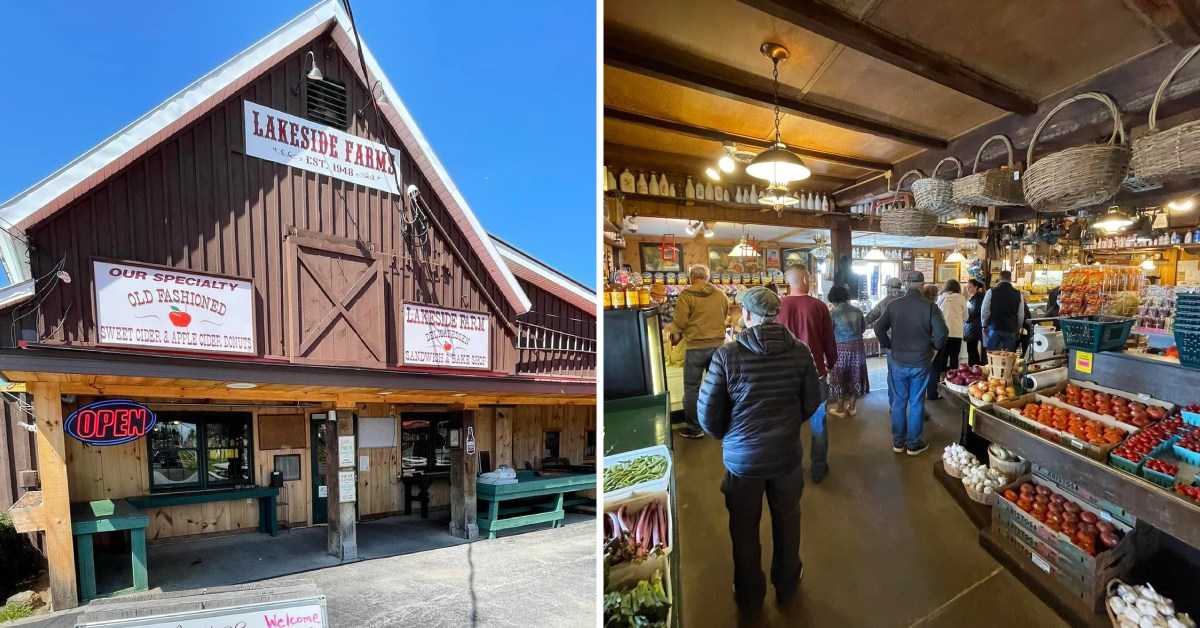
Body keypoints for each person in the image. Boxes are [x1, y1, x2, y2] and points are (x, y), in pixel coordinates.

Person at [697, 286, 823, 612]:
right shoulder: (800, 351)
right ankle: (787, 584)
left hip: (743, 464)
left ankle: (750, 596)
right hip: (786, 456)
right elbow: (812, 402)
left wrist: (734, 436)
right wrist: (785, 424)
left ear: (748, 315)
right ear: (775, 314)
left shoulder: (727, 356)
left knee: (743, 529)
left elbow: (708, 417)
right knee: (788, 521)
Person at [873, 271, 948, 456]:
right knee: (916, 402)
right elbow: (942, 334)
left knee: (899, 401)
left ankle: (898, 443)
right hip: (921, 361)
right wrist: (934, 347)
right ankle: (914, 444)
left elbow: (877, 327)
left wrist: (888, 344)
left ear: (906, 284)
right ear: (922, 285)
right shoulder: (930, 307)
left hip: (898, 360)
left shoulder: (893, 305)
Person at [777, 264, 837, 483]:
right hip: (815, 373)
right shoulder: (819, 306)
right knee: (818, 422)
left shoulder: (778, 306)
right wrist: (831, 363)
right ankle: (818, 468)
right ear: (804, 279)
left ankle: (788, 469)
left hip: (784, 376)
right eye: (810, 277)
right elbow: (829, 341)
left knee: (786, 424)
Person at [668, 265, 730, 439]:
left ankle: (695, 429)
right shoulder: (721, 294)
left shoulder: (686, 296)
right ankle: (720, 422)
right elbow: (724, 315)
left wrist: (674, 337)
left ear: (690, 278)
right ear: (707, 277)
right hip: (718, 346)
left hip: (695, 348)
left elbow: (679, 323)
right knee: (719, 386)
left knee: (692, 389)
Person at [827, 285, 869, 417]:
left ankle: (839, 409)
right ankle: (852, 408)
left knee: (840, 376)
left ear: (833, 298)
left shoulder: (833, 313)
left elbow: (828, 333)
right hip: (858, 347)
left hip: (840, 348)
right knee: (855, 374)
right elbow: (863, 329)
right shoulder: (857, 311)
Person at [929, 279, 967, 400]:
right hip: (957, 333)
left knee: (942, 358)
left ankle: (941, 382)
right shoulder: (961, 298)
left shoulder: (941, 297)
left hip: (942, 333)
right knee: (954, 357)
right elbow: (966, 316)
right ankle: (955, 383)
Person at [981, 270, 1025, 352]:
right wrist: (1018, 327)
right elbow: (1021, 315)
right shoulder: (1018, 294)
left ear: (999, 278)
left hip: (994, 328)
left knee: (993, 357)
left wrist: (984, 325)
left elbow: (985, 311)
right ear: (1010, 279)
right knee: (1008, 358)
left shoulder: (991, 292)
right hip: (1010, 330)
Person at [964, 279, 987, 366]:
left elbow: (974, 312)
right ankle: (976, 368)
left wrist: (965, 316)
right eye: (967, 287)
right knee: (973, 351)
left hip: (974, 328)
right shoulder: (975, 297)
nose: (968, 289)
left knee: (971, 351)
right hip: (974, 327)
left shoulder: (978, 298)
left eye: (970, 287)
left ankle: (973, 370)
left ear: (976, 287)